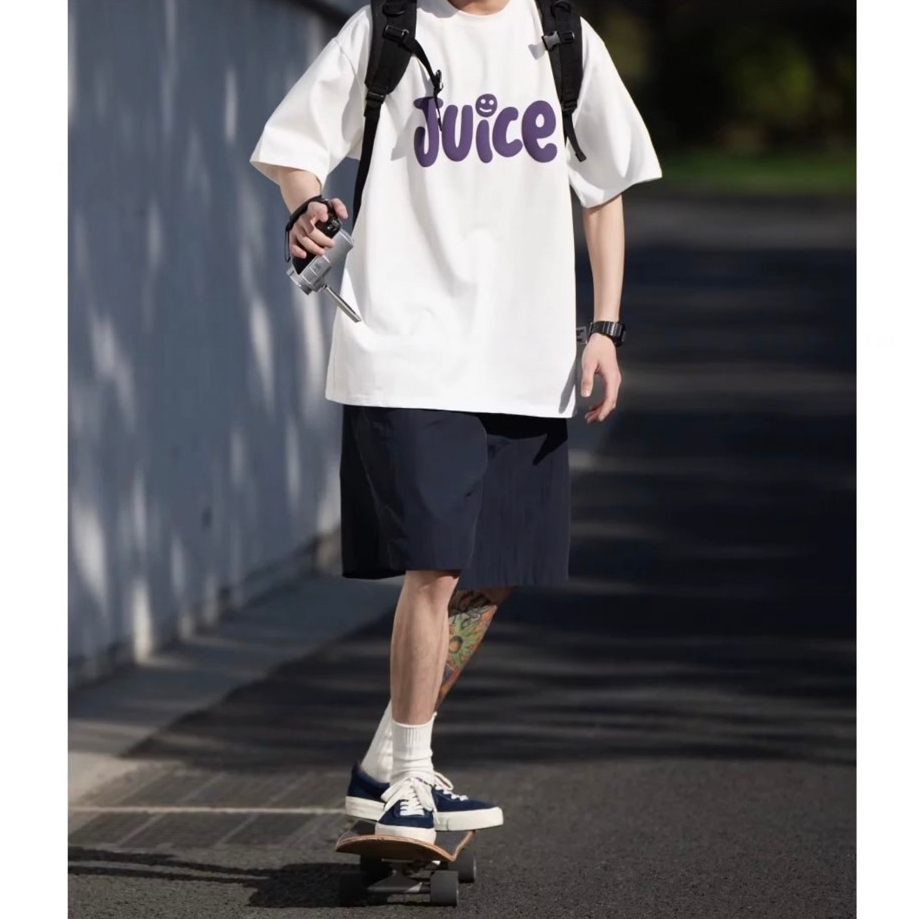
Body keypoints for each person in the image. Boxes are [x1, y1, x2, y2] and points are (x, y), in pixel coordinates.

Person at [250, 0, 661, 843]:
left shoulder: (562, 38)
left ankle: (387, 758)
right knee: (434, 563)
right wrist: (306, 203)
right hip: (406, 345)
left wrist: (605, 327)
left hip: (523, 354)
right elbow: (293, 146)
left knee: (494, 566)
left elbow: (604, 191)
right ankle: (409, 778)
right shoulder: (390, 27)